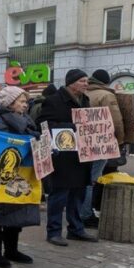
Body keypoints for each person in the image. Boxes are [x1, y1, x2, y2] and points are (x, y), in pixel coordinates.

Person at [37, 69, 98, 246]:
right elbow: (43, 124)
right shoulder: (54, 100)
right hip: (63, 156)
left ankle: (76, 229)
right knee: (59, 195)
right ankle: (54, 231)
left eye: (87, 81)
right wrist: (73, 127)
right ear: (71, 83)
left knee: (78, 193)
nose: (86, 84)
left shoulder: (85, 100)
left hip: (81, 155)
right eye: (82, 81)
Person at [0, 86, 41, 268]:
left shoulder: (25, 119)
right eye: (22, 101)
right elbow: (5, 141)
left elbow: (31, 135)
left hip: (21, 171)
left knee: (17, 209)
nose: (25, 105)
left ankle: (11, 249)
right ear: (10, 103)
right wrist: (29, 139)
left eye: (26, 102)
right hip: (1, 173)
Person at [82, 69, 124, 228]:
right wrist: (119, 140)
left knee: (83, 178)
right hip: (101, 143)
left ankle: (81, 210)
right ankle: (85, 214)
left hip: (84, 141)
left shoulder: (84, 93)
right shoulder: (106, 95)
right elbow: (116, 120)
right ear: (105, 82)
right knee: (91, 180)